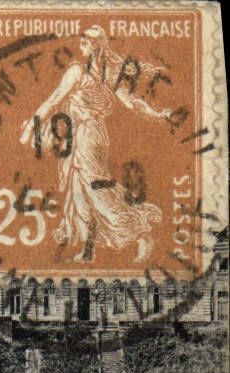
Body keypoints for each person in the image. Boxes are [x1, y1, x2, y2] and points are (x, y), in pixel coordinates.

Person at [20, 26, 169, 264]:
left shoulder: (83, 73)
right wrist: (156, 114)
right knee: (79, 195)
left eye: (86, 40)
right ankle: (87, 250)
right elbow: (57, 99)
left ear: (96, 45)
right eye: (81, 39)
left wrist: (31, 127)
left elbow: (56, 99)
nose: (81, 43)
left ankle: (139, 236)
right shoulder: (102, 74)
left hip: (88, 136)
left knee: (94, 192)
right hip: (84, 135)